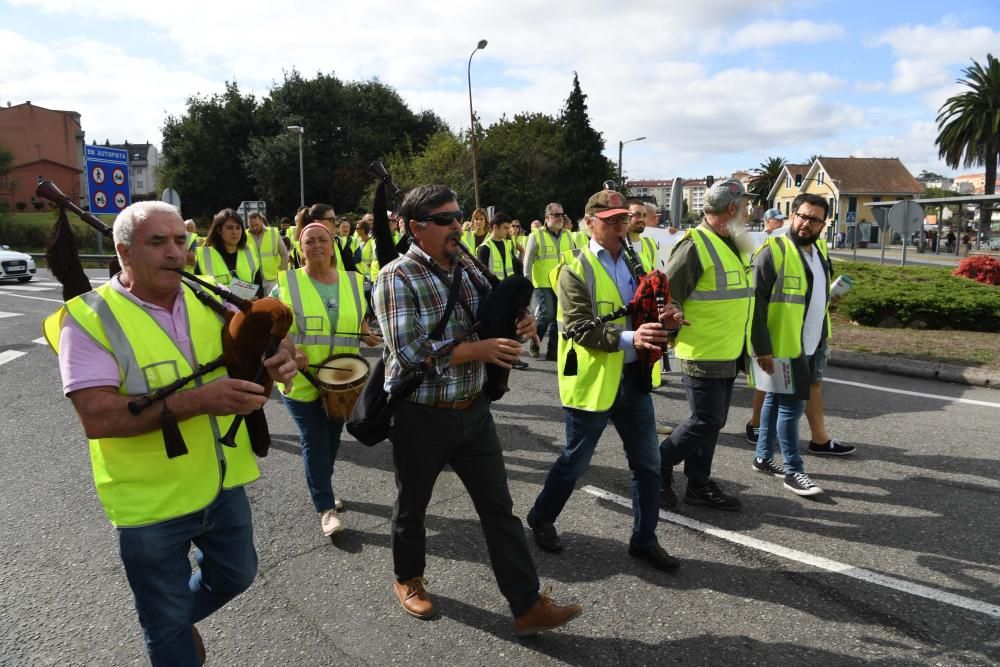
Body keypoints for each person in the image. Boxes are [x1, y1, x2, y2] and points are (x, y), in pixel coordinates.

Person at [46, 201, 297, 665]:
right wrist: (199, 401)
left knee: (237, 576)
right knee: (167, 633)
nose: (174, 253)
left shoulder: (209, 295)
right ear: (123, 252)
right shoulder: (88, 319)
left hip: (219, 484)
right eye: (157, 242)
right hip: (149, 505)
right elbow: (97, 417)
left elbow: (266, 330)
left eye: (180, 240)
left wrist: (284, 354)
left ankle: (170, 620)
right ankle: (168, 629)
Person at [372, 184, 581, 635]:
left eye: (458, 215)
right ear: (416, 227)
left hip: (474, 410)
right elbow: (408, 351)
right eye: (445, 219)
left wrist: (520, 323)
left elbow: (493, 314)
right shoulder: (396, 276)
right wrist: (478, 349)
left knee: (499, 510)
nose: (457, 225)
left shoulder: (468, 267)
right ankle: (408, 579)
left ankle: (527, 606)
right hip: (421, 415)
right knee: (413, 506)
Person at [527, 190, 686, 572]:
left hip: (632, 380)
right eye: (611, 220)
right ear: (589, 224)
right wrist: (634, 338)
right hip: (592, 382)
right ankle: (541, 517)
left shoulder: (637, 260)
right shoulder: (572, 268)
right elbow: (581, 328)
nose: (620, 226)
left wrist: (666, 321)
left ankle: (644, 539)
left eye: (623, 219)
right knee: (574, 463)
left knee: (647, 466)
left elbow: (646, 310)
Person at [273, 222, 380, 536]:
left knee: (332, 439)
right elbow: (269, 324)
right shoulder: (287, 283)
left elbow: (356, 313)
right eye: (310, 241)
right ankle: (325, 508)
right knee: (315, 440)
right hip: (303, 379)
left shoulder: (352, 281)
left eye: (323, 239)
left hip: (341, 381)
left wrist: (364, 331)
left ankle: (324, 484)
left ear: (332, 245)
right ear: (300, 247)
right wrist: (291, 347)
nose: (317, 245)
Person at [659, 179, 757, 512]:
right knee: (707, 420)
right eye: (745, 205)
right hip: (702, 349)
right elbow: (666, 299)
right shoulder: (693, 245)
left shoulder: (735, 241)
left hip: (729, 348)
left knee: (711, 422)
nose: (749, 210)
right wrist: (669, 322)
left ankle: (698, 483)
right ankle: (657, 465)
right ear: (731, 209)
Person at [750, 194, 834, 496]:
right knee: (791, 409)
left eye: (814, 219)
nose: (805, 223)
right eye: (801, 215)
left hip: (810, 343)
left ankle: (763, 456)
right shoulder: (773, 251)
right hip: (783, 347)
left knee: (774, 400)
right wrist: (762, 348)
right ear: (792, 216)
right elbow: (755, 305)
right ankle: (794, 471)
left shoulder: (818, 253)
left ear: (823, 225)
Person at [523, 203, 574, 361]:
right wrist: (527, 281)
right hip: (543, 283)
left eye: (562, 215)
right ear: (547, 218)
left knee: (559, 317)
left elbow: (573, 259)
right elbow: (528, 260)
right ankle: (535, 340)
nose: (560, 218)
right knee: (548, 314)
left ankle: (553, 351)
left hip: (562, 283)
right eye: (556, 215)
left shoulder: (567, 235)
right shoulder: (536, 235)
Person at [195, 208, 263, 298]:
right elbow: (198, 290)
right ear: (219, 230)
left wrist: (257, 297)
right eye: (229, 228)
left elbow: (259, 286)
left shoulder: (250, 252)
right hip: (218, 310)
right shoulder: (205, 256)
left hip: (247, 309)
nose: (235, 232)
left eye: (238, 228)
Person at [246, 211, 289, 295]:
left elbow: (284, 254)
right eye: (251, 226)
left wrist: (282, 274)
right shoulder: (244, 235)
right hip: (252, 280)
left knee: (272, 305)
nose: (254, 228)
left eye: (256, 225)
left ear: (261, 221)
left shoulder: (274, 233)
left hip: (272, 279)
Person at [476, 212, 523, 278]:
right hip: (494, 288)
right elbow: (483, 277)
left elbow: (516, 267)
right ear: (495, 227)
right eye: (505, 228)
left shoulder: (509, 245)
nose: (508, 231)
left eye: (509, 228)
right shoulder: (484, 248)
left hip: (510, 287)